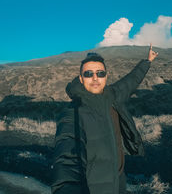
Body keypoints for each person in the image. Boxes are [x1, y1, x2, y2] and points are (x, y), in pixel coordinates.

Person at [51, 45, 158, 194]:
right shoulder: (73, 112)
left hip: (118, 178)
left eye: (100, 73)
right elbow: (67, 161)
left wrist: (147, 61)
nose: (95, 78)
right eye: (88, 73)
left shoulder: (111, 95)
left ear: (106, 76)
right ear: (81, 79)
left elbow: (131, 81)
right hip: (95, 186)